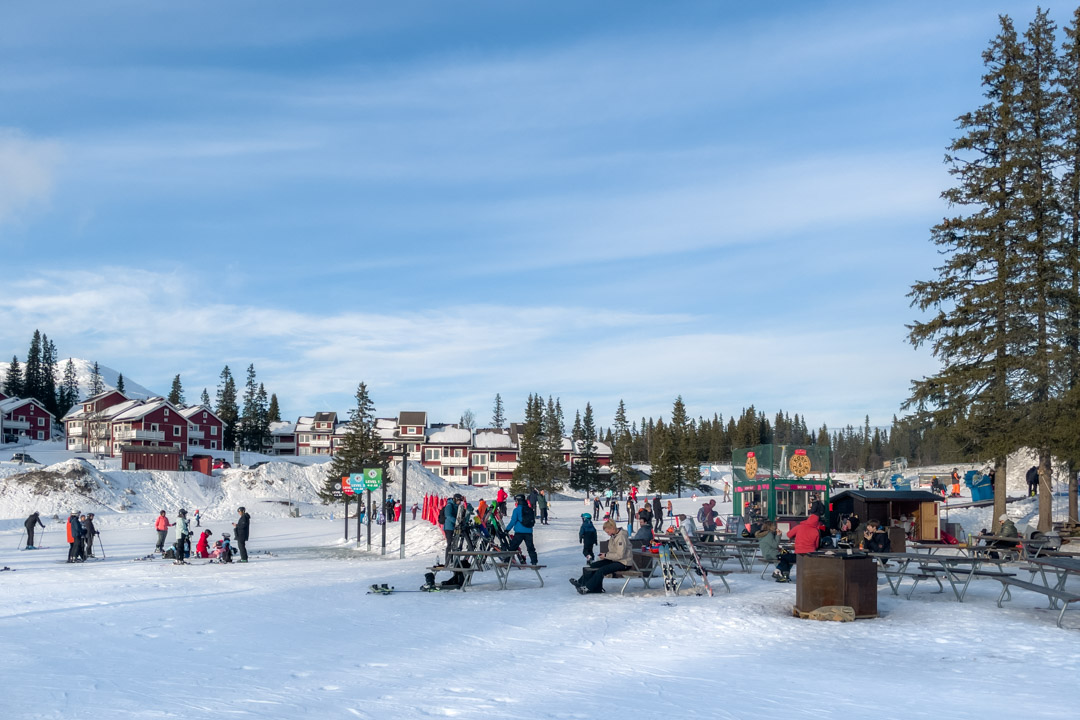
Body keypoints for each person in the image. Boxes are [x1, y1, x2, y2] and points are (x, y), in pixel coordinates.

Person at [570, 520, 632, 594]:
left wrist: (606, 556)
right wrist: (605, 556)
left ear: (612, 528)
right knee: (594, 565)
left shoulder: (621, 537)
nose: (608, 534)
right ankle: (581, 582)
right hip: (615, 560)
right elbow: (613, 552)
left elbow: (620, 555)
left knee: (601, 570)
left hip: (624, 563)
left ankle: (587, 588)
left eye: (608, 532)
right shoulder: (614, 536)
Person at [778, 513, 824, 581]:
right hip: (810, 555)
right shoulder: (816, 531)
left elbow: (788, 534)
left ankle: (784, 575)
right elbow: (816, 545)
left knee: (784, 557)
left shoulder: (799, 527)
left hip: (799, 555)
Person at [504, 494, 538, 565]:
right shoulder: (529, 509)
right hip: (529, 531)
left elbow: (513, 521)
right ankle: (534, 562)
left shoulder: (516, 510)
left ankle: (507, 561)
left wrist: (507, 530)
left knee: (512, 547)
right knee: (530, 547)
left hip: (519, 532)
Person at [441, 494, 460, 565]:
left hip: (454, 527)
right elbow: (448, 516)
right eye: (458, 500)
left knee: (454, 544)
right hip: (449, 527)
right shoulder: (449, 505)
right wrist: (456, 521)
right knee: (450, 544)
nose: (459, 502)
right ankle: (448, 560)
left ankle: (452, 560)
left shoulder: (456, 506)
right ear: (455, 499)